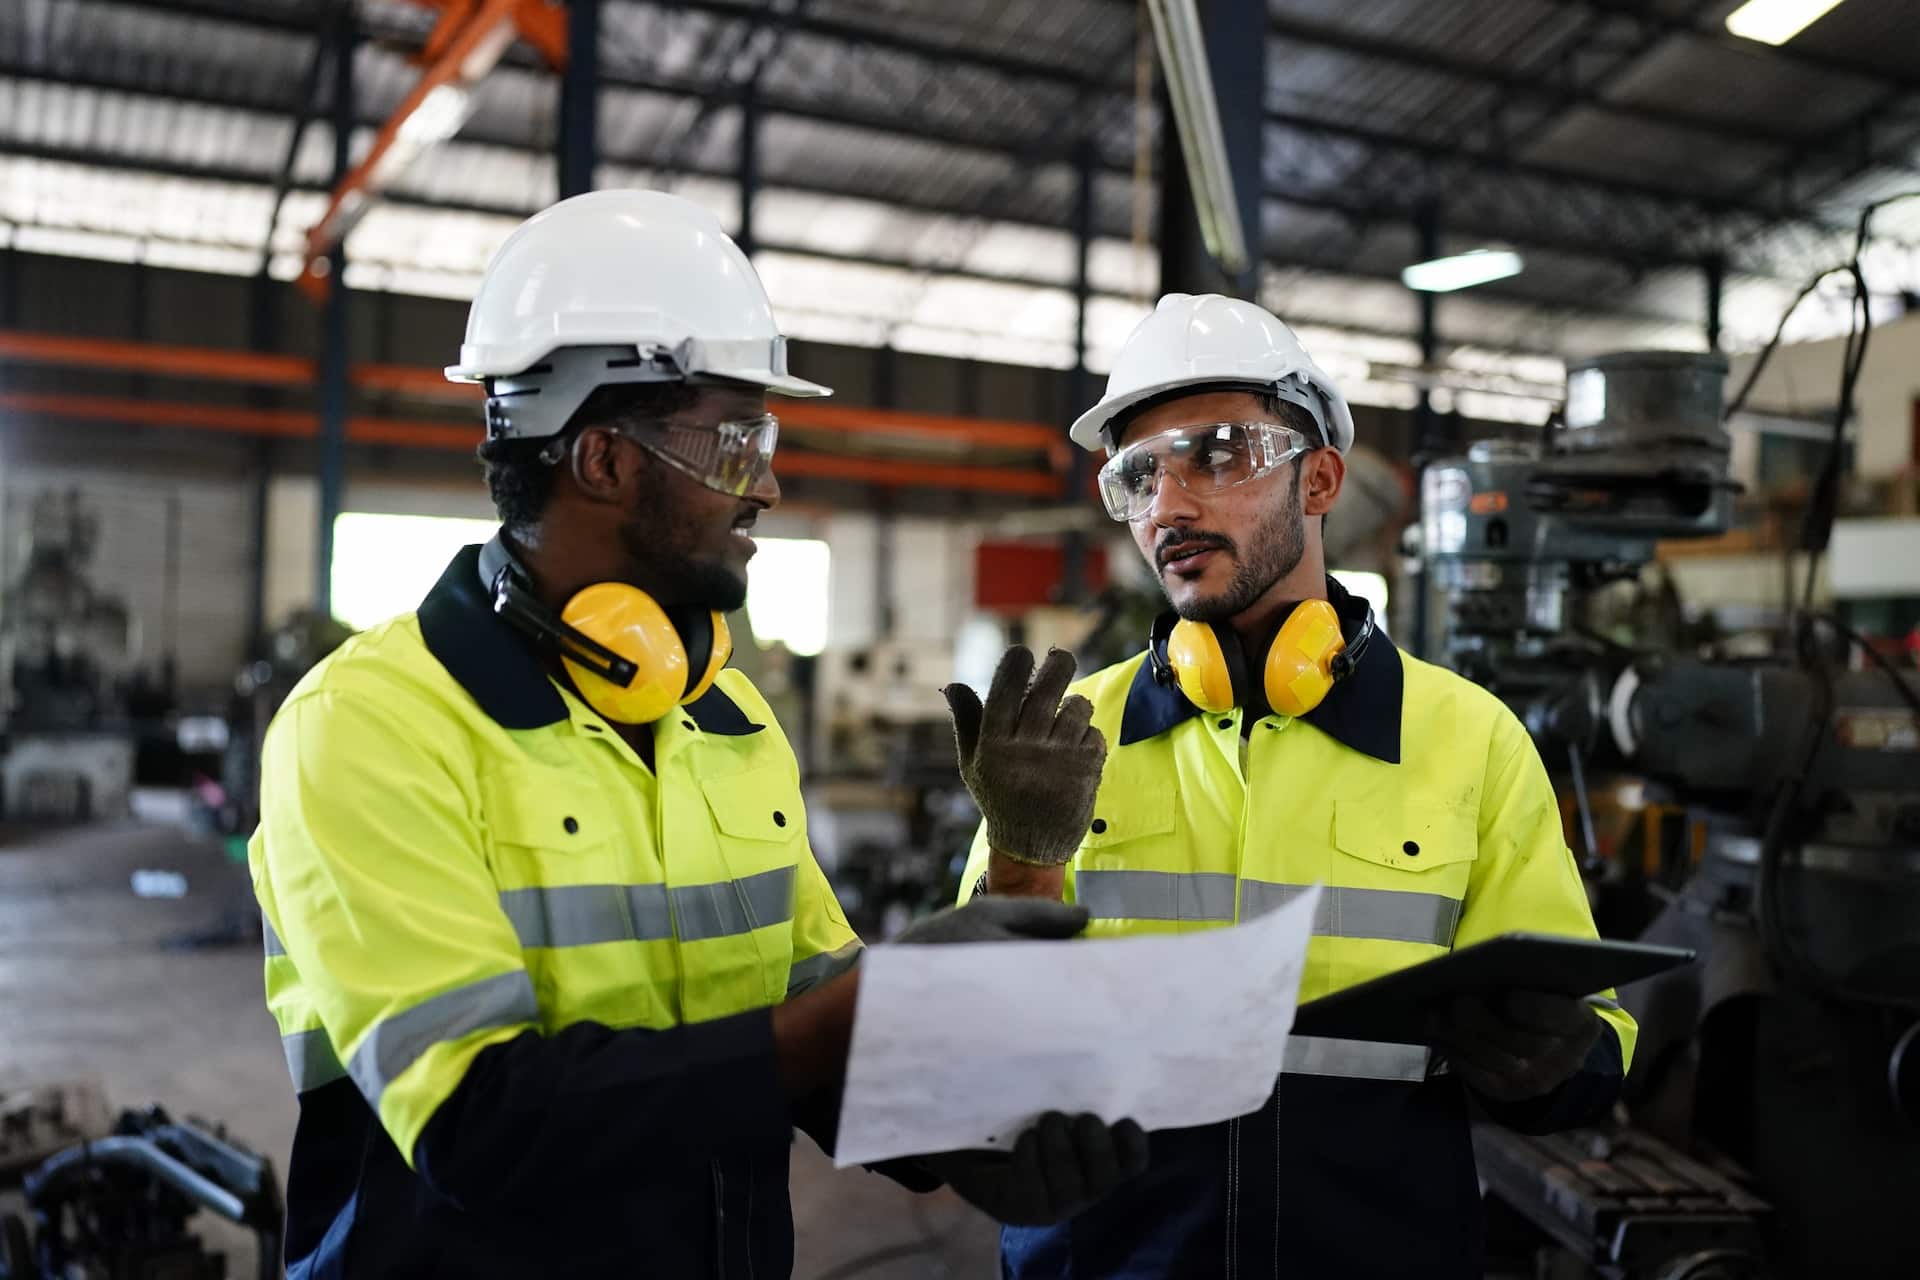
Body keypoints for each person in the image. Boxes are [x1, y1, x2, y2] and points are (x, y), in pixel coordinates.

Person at [248, 189, 1145, 1279]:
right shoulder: (373, 724)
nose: (766, 480)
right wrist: (868, 1008)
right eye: (736, 437)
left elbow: (819, 1033)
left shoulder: (724, 715)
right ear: (603, 459)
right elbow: (480, 1125)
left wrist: (968, 1129)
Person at [950, 293, 1639, 1278]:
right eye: (1139, 473)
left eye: (1220, 454)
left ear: (1319, 478)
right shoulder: (1067, 737)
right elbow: (970, 1051)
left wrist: (1550, 1054)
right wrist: (1019, 862)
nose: (1170, 506)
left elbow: (1595, 1040)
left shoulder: (1466, 739)